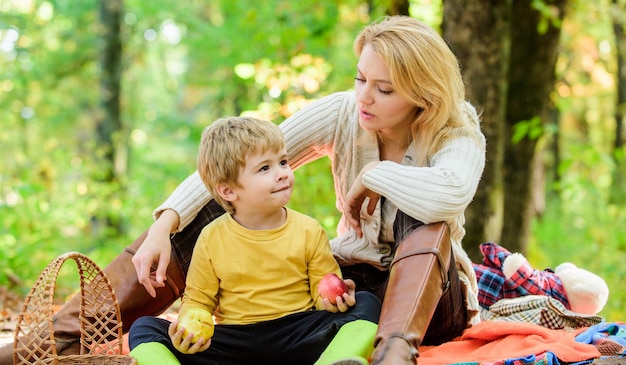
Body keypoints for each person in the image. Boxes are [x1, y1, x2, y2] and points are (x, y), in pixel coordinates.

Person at [1, 15, 486, 365]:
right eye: (360, 79)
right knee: (226, 202)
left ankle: (395, 357)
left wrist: (373, 177)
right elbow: (238, 165)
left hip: (430, 301)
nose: (364, 96)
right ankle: (50, 342)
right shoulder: (344, 112)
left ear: (422, 93)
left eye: (384, 89)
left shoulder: (456, 131)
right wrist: (166, 224)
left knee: (426, 214)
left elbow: (450, 195)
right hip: (347, 285)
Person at [127, 116, 381, 365]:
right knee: (144, 328)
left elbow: (321, 287)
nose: (282, 173)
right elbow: (198, 300)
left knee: (367, 303)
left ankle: (334, 362)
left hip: (296, 334)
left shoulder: (308, 230)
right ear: (228, 190)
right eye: (265, 168)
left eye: (283, 162)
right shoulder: (211, 237)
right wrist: (190, 327)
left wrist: (332, 300)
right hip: (235, 342)